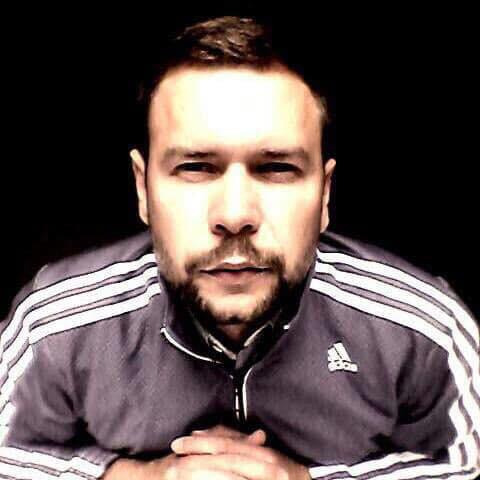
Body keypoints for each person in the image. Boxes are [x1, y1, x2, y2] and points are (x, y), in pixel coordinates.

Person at [0, 15, 478, 480]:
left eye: (276, 169)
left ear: (325, 194)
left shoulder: (427, 332)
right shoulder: (52, 327)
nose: (234, 215)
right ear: (143, 189)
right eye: (195, 168)